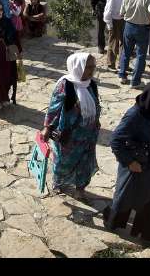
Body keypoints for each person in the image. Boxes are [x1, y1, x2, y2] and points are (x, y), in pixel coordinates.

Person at [104, 82, 150, 243]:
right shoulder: (135, 115)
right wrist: (129, 162)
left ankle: (146, 235)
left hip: (149, 167)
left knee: (148, 201)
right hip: (136, 168)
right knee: (125, 198)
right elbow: (115, 141)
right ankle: (113, 222)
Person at [41, 52, 100, 198]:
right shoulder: (65, 84)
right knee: (64, 161)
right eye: (89, 67)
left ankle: (80, 188)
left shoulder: (91, 83)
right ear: (78, 67)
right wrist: (47, 127)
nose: (92, 70)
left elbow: (95, 104)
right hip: (69, 134)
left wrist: (96, 121)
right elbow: (54, 107)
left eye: (93, 67)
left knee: (85, 162)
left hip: (88, 133)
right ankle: (59, 182)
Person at [119, 0, 150, 89]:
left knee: (126, 52)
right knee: (141, 55)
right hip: (142, 28)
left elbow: (121, 13)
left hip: (128, 26)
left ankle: (122, 75)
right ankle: (135, 82)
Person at [104, 0, 130, 70]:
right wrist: (110, 25)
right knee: (113, 43)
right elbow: (108, 11)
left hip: (126, 20)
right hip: (115, 20)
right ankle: (111, 64)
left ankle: (123, 64)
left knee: (126, 43)